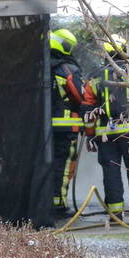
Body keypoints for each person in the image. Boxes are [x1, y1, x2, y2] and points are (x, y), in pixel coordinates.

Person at [83, 34, 129, 222]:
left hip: (105, 136)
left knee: (111, 174)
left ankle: (115, 215)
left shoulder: (94, 77)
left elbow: (88, 109)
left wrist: (90, 136)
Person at [49, 28, 87, 218]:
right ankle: (58, 205)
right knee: (62, 166)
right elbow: (81, 96)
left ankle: (44, 202)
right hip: (65, 127)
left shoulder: (39, 66)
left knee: (45, 164)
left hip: (39, 128)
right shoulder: (67, 69)